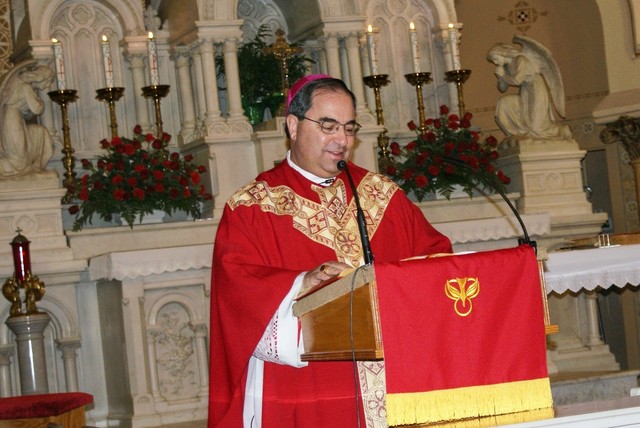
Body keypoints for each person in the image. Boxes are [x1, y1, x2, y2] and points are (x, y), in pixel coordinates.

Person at [208, 75, 452, 428]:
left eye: (349, 128)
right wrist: (300, 283)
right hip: (306, 390)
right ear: (293, 125)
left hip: (394, 384)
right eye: (328, 126)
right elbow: (236, 290)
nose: (342, 140)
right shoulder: (253, 206)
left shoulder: (382, 195)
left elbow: (436, 258)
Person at [487, 36, 571, 140]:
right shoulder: (506, 67)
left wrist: (504, 76)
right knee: (504, 103)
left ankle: (563, 132)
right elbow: (502, 89)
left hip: (536, 89)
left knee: (537, 128)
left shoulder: (520, 59)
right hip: (525, 91)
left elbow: (518, 80)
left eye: (495, 58)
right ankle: (519, 134)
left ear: (502, 53)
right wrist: (500, 78)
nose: (495, 62)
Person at [0, 62, 56, 178]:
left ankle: (35, 168)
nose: (47, 86)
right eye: (48, 82)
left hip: (15, 118)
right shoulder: (26, 87)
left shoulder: (24, 85)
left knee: (21, 153)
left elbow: (28, 114)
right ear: (41, 78)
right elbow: (37, 109)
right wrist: (41, 103)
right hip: (12, 120)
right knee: (18, 158)